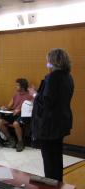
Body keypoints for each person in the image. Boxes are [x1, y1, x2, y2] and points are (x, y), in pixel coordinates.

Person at [32, 49, 74, 181]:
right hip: (61, 122)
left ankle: (51, 188)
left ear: (53, 62)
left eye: (48, 61)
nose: (47, 64)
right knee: (57, 156)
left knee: (49, 158)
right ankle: (58, 183)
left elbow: (47, 102)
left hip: (49, 126)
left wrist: (34, 94)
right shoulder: (68, 77)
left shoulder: (52, 77)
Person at [0, 78, 34, 152]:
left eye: (17, 85)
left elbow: (31, 108)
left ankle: (20, 142)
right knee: (0, 122)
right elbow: (9, 106)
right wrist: (5, 108)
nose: (15, 86)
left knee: (16, 123)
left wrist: (19, 110)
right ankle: (10, 139)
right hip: (13, 114)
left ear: (22, 87)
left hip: (23, 115)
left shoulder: (30, 96)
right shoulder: (16, 95)